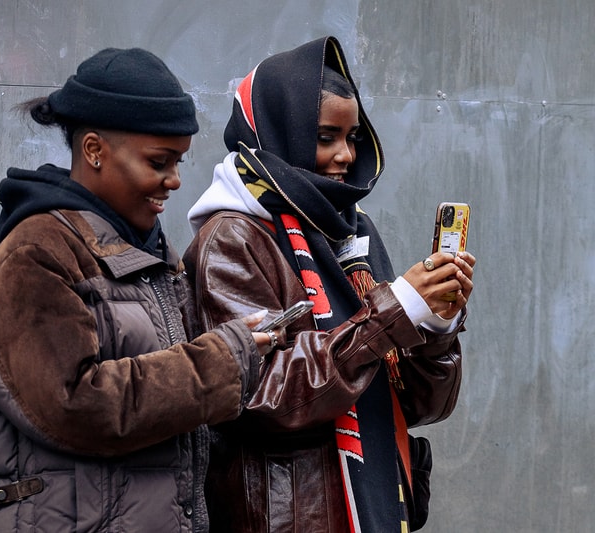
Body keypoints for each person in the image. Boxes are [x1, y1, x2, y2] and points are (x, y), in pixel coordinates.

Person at [0, 47, 278, 532]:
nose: (174, 181)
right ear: (94, 150)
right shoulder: (35, 255)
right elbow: (73, 406)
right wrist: (219, 363)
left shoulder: (148, 253)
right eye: (160, 161)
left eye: (178, 162)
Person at [182, 36, 476, 532]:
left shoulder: (351, 232)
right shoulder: (232, 238)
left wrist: (436, 327)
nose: (345, 155)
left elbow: (422, 407)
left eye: (353, 137)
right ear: (281, 132)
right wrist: (396, 310)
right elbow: (263, 397)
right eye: (324, 137)